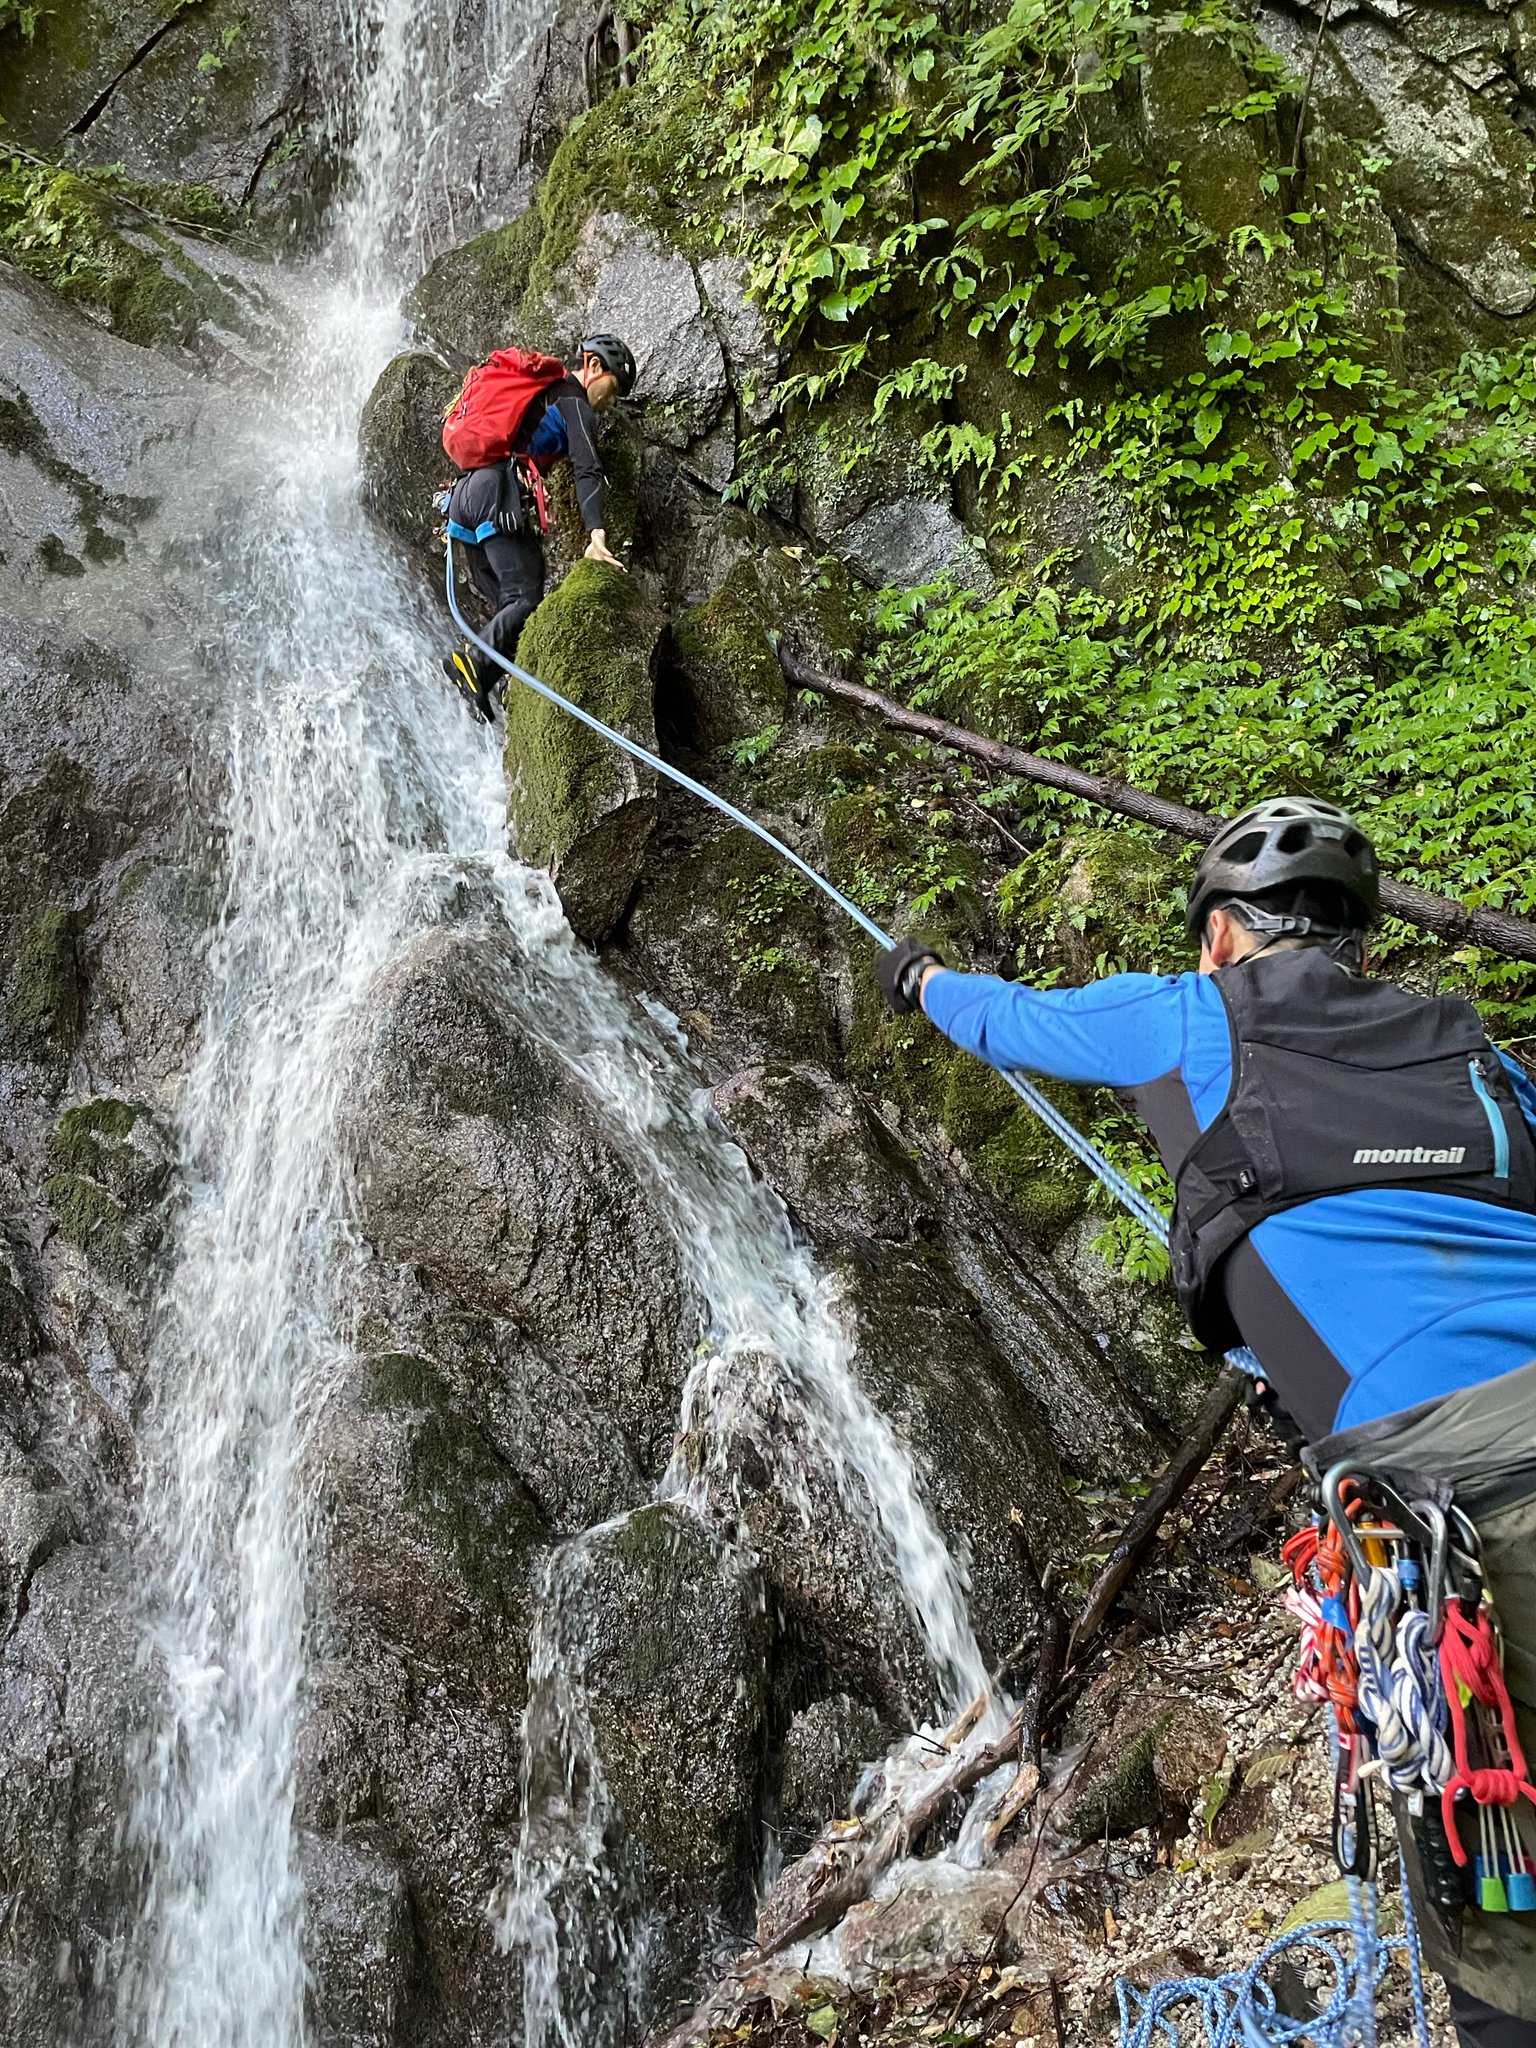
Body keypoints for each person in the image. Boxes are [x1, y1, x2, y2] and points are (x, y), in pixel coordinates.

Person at [878, 795, 1536, 2045]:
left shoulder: (1199, 1015)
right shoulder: (1475, 1057)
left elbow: (1010, 1020)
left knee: (1501, 1911)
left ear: (1225, 937)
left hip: (1466, 1506)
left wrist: (915, 977)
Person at [442, 332, 637, 722]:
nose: (609, 403)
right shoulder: (572, 399)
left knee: (515, 611)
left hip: (465, 497)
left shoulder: (542, 395)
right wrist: (596, 532)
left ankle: (482, 676)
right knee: (525, 597)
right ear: (594, 367)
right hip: (497, 495)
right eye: (613, 390)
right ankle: (473, 661)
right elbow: (587, 468)